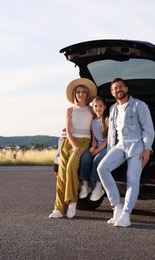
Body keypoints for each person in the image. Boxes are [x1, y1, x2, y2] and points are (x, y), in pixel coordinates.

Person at [97, 78, 155, 227]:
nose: (118, 90)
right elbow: (112, 134)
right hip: (121, 145)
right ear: (112, 92)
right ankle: (117, 206)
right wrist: (110, 151)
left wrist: (147, 149)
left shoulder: (139, 106)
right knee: (102, 168)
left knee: (132, 179)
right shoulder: (113, 109)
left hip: (137, 146)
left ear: (126, 89)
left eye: (120, 87)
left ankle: (126, 215)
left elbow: (148, 129)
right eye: (114, 89)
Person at [49, 78, 97, 219]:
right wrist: (73, 144)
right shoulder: (69, 110)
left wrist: (93, 144)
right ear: (74, 94)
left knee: (71, 168)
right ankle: (58, 208)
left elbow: (95, 128)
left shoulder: (91, 109)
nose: (81, 94)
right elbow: (69, 131)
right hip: (69, 142)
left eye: (83, 92)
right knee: (62, 175)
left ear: (87, 95)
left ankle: (72, 202)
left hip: (84, 141)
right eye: (78, 92)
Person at [78, 96, 108, 201]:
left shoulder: (107, 120)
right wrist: (93, 147)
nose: (98, 108)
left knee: (97, 159)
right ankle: (85, 186)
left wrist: (97, 151)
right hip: (97, 146)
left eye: (100, 106)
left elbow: (108, 140)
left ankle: (99, 187)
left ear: (104, 107)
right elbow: (94, 138)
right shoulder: (93, 122)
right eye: (95, 106)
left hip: (106, 147)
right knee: (86, 158)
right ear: (93, 107)